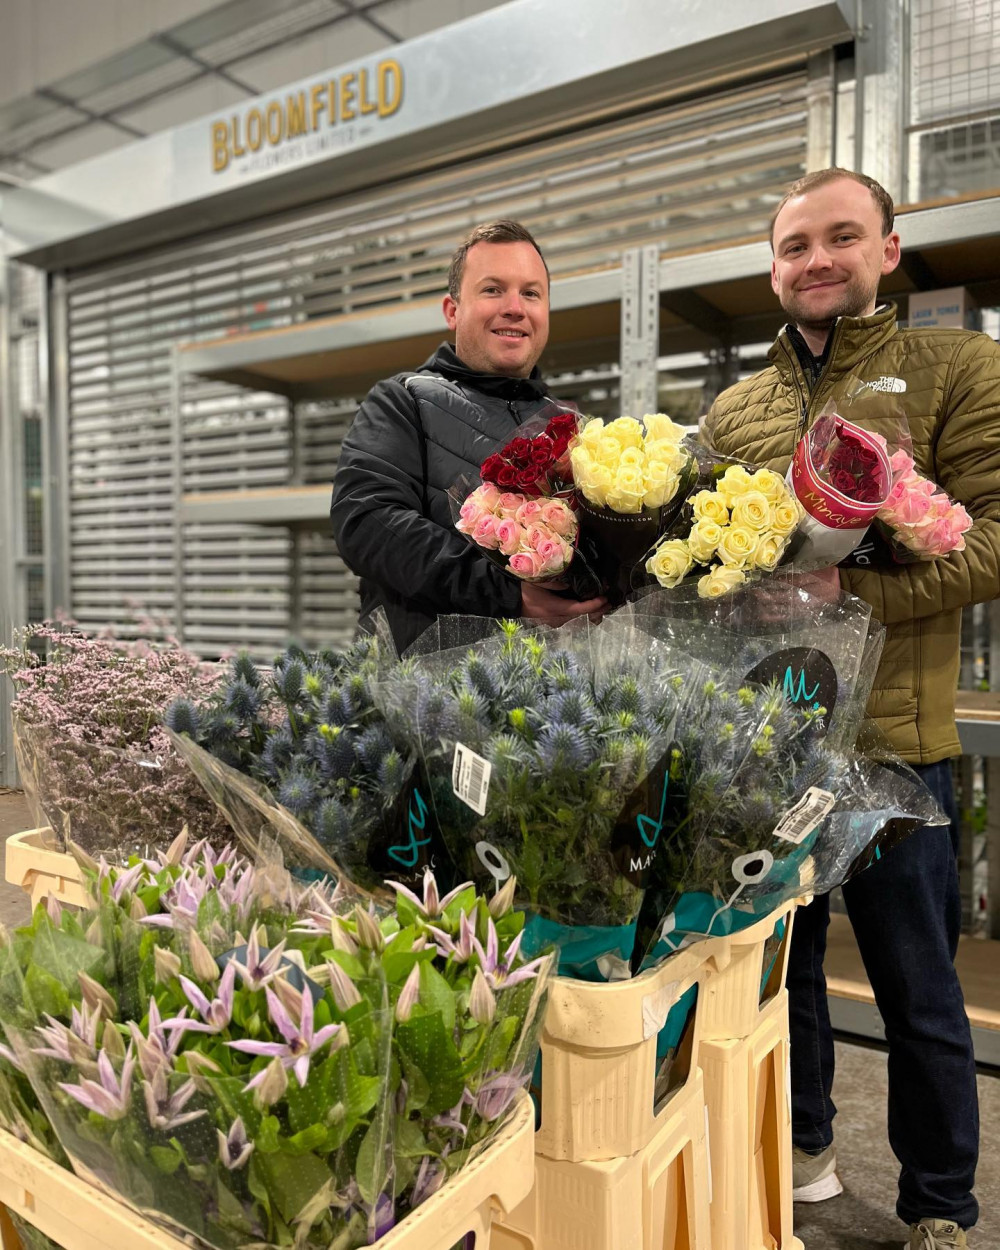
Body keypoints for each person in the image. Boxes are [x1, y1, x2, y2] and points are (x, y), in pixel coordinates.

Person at [706, 168, 1000, 1250]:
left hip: (895, 745)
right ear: (772, 266)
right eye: (793, 245)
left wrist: (852, 587)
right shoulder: (737, 406)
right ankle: (807, 1151)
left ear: (886, 247)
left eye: (839, 238)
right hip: (767, 744)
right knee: (779, 975)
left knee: (918, 988)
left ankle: (938, 1205)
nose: (814, 260)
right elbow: (706, 555)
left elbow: (995, 536)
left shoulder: (957, 368)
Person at [330, 218, 606, 652]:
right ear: (452, 310)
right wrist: (509, 594)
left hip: (553, 695)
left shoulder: (574, 430)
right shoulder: (401, 401)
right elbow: (366, 523)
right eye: (493, 289)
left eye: (531, 293)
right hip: (420, 695)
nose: (515, 307)